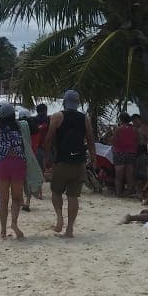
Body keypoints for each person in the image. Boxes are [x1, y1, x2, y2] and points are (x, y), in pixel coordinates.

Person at [42, 90, 96, 238]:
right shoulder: (85, 118)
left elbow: (49, 138)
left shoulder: (57, 116)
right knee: (73, 196)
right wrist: (93, 158)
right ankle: (70, 228)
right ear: (77, 103)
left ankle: (59, 218)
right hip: (79, 162)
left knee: (56, 191)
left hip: (62, 161)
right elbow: (90, 139)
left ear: (64, 102)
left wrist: (47, 156)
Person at [0, 104, 27, 238]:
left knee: (3, 199)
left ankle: (3, 230)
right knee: (16, 198)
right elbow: (24, 147)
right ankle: (14, 223)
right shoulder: (19, 128)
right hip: (18, 162)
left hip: (3, 163)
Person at [112, 113, 138, 197]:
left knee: (119, 173)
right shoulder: (134, 129)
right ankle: (129, 191)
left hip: (119, 152)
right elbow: (136, 140)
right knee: (129, 173)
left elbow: (114, 141)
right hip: (131, 152)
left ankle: (118, 192)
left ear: (121, 119)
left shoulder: (118, 129)